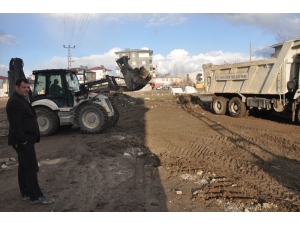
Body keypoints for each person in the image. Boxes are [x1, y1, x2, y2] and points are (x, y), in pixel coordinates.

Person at [6, 78, 55, 205]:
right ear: (16, 87)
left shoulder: (20, 100)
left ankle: (26, 193)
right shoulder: (15, 102)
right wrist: (24, 140)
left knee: (23, 166)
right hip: (23, 140)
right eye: (24, 87)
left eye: (28, 87)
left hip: (24, 140)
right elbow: (15, 125)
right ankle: (36, 196)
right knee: (31, 168)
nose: (27, 89)